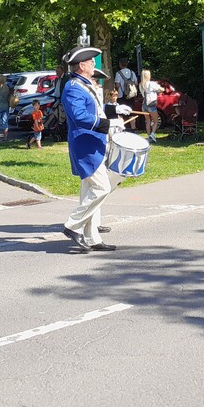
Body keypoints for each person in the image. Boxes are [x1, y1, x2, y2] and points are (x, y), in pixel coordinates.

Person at [60, 47, 121, 253]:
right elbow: (78, 116)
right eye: (91, 62)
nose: (94, 64)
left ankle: (92, 238)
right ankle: (72, 225)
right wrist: (104, 124)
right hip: (85, 145)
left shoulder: (84, 86)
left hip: (94, 142)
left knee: (90, 190)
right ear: (82, 65)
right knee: (102, 188)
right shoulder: (73, 87)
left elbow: (94, 111)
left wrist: (110, 123)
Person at [140, 69, 162, 143]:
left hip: (144, 105)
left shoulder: (141, 85)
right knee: (156, 121)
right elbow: (161, 89)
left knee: (148, 121)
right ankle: (152, 134)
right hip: (151, 104)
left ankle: (149, 136)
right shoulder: (151, 84)